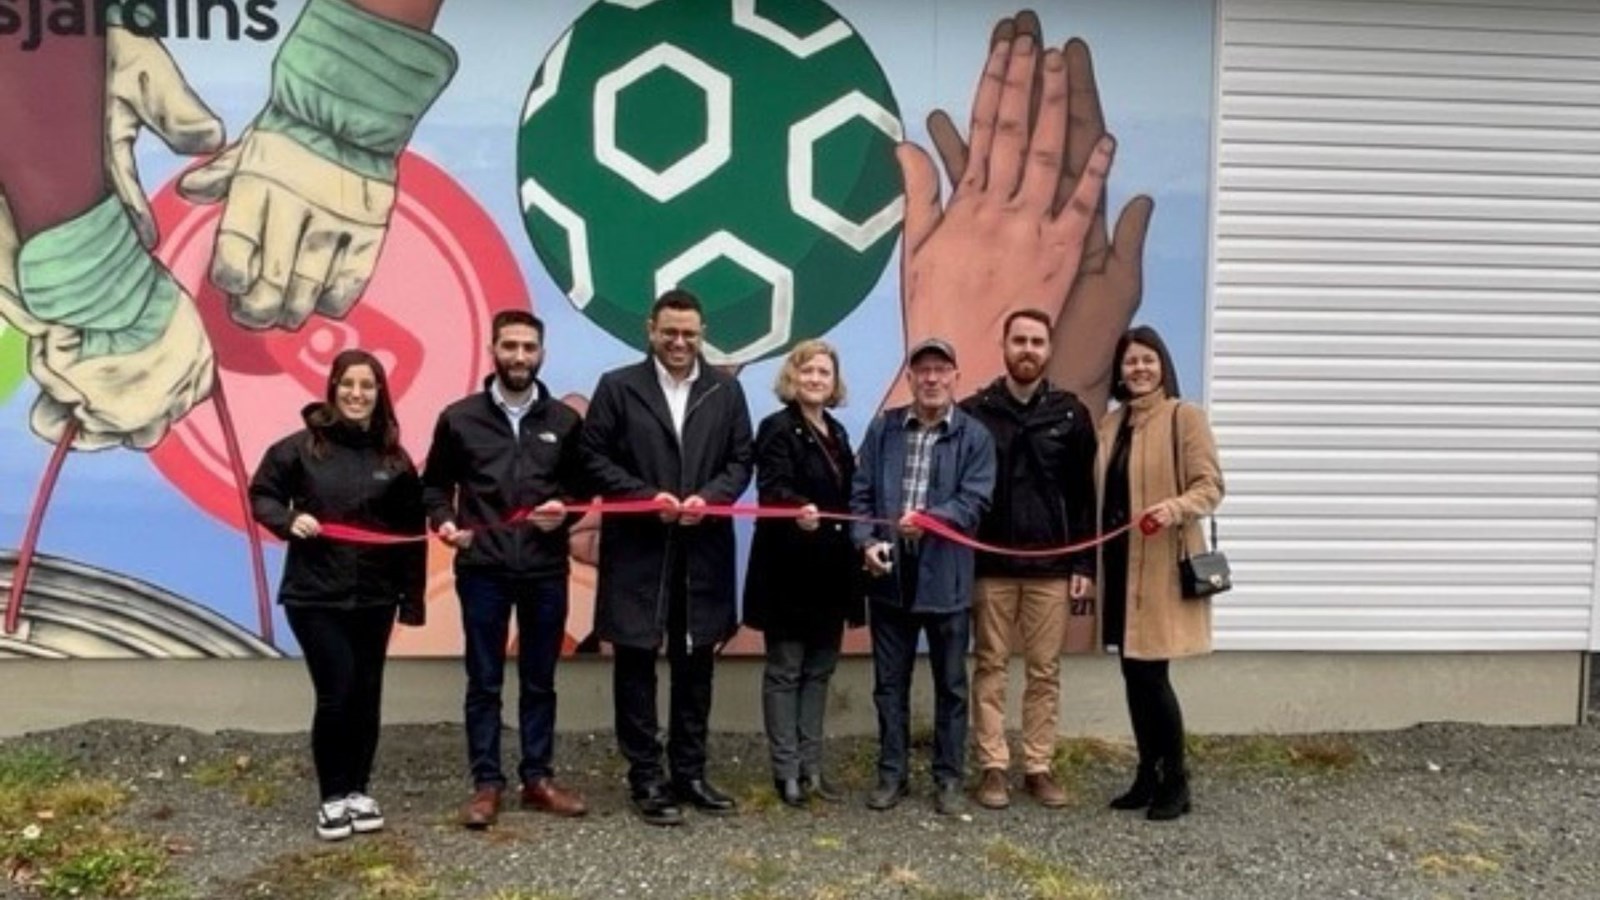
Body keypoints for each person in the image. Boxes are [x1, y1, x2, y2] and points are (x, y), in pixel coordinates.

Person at [581, 289, 754, 826]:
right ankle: (646, 777)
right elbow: (592, 457)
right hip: (638, 549)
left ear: (702, 336)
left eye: (690, 334)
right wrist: (642, 497)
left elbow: (740, 458)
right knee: (635, 664)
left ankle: (690, 772)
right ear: (650, 329)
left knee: (695, 665)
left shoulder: (723, 392)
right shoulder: (617, 388)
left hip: (701, 551)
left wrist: (714, 497)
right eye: (670, 332)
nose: (680, 342)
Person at [249, 349, 426, 841]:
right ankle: (332, 796)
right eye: (349, 384)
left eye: (367, 386)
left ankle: (358, 790)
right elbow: (261, 493)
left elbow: (412, 532)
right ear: (333, 388)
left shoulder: (394, 458)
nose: (357, 394)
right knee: (338, 692)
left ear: (379, 394)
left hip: (375, 598)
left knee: (367, 696)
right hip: (316, 597)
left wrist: (411, 601)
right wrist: (287, 520)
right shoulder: (299, 448)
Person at [421, 309, 588, 829]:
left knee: (540, 679)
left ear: (541, 353)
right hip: (484, 570)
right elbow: (434, 487)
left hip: (543, 569)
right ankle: (486, 785)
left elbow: (581, 492)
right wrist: (447, 522)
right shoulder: (460, 417)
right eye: (510, 346)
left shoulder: (563, 421)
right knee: (485, 681)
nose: (519, 357)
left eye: (529, 348)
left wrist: (565, 511)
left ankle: (537, 778)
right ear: (494, 350)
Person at [850, 337, 995, 816]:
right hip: (890, 575)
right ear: (910, 378)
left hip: (946, 578)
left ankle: (948, 778)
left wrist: (931, 518)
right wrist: (866, 543)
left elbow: (975, 499)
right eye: (923, 370)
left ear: (956, 376)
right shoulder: (883, 430)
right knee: (889, 684)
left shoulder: (974, 436)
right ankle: (892, 775)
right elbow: (861, 496)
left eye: (941, 369)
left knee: (951, 685)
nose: (931, 378)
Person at [959, 309, 1096, 810]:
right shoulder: (975, 411)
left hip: (1051, 568)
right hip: (991, 567)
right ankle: (993, 766)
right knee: (990, 665)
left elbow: (1085, 497)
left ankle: (1038, 765)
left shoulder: (1070, 413)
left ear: (1049, 349)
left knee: (1044, 670)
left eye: (1037, 341)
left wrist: (1084, 565)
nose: (1028, 349)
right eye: (1019, 340)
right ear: (1004, 345)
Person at [1096, 325, 1224, 821]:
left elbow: (1210, 486)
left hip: (1160, 566)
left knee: (1152, 675)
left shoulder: (1184, 417)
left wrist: (1174, 508)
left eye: (1148, 359)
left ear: (1162, 365)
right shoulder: (1111, 425)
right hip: (1120, 565)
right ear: (1120, 372)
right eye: (1130, 361)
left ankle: (1176, 779)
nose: (1139, 369)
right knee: (1133, 672)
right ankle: (1147, 775)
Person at [742, 340, 865, 807]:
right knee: (785, 670)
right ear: (792, 378)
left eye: (824, 372)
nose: (816, 378)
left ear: (834, 383)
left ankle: (813, 767)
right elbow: (773, 487)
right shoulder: (776, 428)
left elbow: (851, 497)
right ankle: (785, 770)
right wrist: (796, 508)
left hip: (831, 572)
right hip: (788, 569)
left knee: (819, 671)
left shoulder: (837, 432)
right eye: (807, 370)